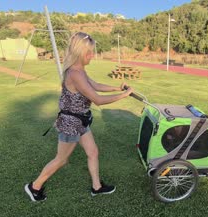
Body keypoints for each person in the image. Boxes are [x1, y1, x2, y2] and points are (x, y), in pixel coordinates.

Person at [24, 32, 134, 202]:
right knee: (61, 160)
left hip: (80, 121)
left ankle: (97, 187)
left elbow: (95, 85)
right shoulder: (74, 73)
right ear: (80, 53)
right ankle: (34, 187)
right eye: (89, 52)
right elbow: (97, 99)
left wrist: (116, 88)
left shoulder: (80, 70)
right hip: (70, 123)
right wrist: (124, 96)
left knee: (93, 152)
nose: (92, 55)